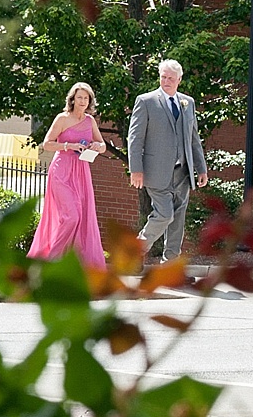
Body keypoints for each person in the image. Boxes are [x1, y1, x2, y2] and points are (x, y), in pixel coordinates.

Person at [127, 59, 208, 267]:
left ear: (179, 80)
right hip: (156, 172)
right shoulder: (146, 101)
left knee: (178, 221)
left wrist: (201, 168)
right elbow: (135, 138)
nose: (166, 81)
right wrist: (135, 169)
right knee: (164, 215)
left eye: (171, 78)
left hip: (183, 172)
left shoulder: (187, 102)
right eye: (163, 77)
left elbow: (193, 138)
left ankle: (170, 266)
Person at [27, 81, 107, 270]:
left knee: (81, 216)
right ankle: (51, 260)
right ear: (72, 99)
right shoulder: (62, 118)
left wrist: (97, 146)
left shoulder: (90, 121)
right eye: (79, 97)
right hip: (61, 171)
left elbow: (102, 145)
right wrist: (68, 146)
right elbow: (47, 144)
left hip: (81, 172)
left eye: (86, 98)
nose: (82, 101)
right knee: (71, 216)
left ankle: (74, 262)